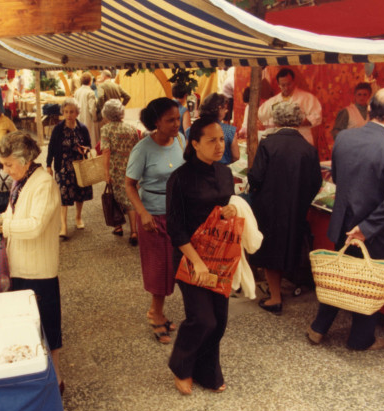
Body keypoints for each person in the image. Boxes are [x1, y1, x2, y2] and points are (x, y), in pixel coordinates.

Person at [307, 87, 384, 351]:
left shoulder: (345, 139)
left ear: (370, 108)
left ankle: (319, 328)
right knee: (368, 284)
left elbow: (339, 178)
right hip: (375, 232)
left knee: (339, 276)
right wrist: (365, 228)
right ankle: (360, 339)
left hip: (344, 222)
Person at [0, 131, 64, 392]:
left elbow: (35, 226)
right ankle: (39, 377)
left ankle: (56, 381)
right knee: (31, 325)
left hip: (38, 269)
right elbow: (13, 213)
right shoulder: (22, 180)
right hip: (21, 264)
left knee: (47, 327)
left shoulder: (42, 184)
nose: (4, 170)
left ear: (26, 160)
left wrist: (2, 223)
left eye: (8, 164)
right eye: (2, 164)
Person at [166, 116, 236, 395]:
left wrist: (230, 211)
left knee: (219, 319)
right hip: (189, 256)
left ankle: (207, 372)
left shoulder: (225, 173)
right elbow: (174, 224)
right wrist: (195, 261)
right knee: (202, 318)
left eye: (222, 139)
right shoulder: (180, 178)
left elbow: (226, 209)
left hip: (219, 256)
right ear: (195, 143)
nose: (219, 145)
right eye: (212, 140)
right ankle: (181, 367)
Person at [248, 102, 322, 314]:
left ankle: (275, 297)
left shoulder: (268, 144)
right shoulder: (308, 149)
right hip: (295, 208)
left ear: (276, 119)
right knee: (287, 247)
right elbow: (316, 181)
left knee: (271, 249)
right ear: (299, 120)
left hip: (269, 207)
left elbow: (256, 176)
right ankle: (279, 291)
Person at [125, 97, 185, 344]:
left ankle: (158, 310)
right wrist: (143, 213)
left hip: (177, 213)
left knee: (174, 265)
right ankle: (155, 313)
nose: (176, 124)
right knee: (159, 267)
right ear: (156, 122)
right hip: (153, 215)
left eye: (178, 119)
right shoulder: (142, 148)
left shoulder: (181, 140)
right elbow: (129, 185)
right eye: (170, 120)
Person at [46, 98, 92, 238]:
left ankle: (78, 217)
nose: (68, 114)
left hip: (79, 165)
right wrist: (48, 165)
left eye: (72, 112)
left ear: (77, 113)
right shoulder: (58, 129)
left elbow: (89, 145)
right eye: (66, 112)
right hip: (63, 165)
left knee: (80, 192)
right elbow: (51, 147)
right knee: (63, 194)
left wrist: (85, 149)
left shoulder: (82, 128)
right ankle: (64, 225)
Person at [100, 99, 139, 244]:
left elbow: (106, 151)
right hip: (131, 168)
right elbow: (137, 149)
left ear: (107, 114)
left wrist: (106, 172)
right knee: (130, 199)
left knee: (114, 197)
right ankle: (134, 232)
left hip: (115, 168)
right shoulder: (131, 128)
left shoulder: (106, 129)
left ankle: (118, 227)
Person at [258, 68, 322, 145]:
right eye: (283, 85)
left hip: (302, 139)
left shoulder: (307, 98)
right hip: (281, 141)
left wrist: (296, 123)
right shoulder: (273, 101)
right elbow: (260, 116)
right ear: (278, 85)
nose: (286, 88)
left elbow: (317, 116)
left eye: (289, 84)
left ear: (294, 82)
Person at [198, 93, 240, 165]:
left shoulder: (193, 128)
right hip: (220, 172)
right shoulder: (229, 130)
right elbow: (236, 156)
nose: (226, 111)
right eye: (225, 108)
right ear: (220, 108)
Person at [74, 72, 99, 148]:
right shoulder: (90, 92)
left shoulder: (77, 92)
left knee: (81, 138)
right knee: (90, 139)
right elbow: (92, 109)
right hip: (88, 119)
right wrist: (95, 119)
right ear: (90, 81)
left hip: (79, 118)